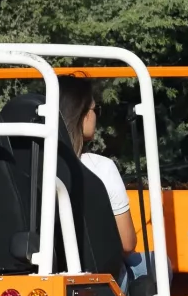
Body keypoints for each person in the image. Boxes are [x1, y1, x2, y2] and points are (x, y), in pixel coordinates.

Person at [54, 76, 143, 280]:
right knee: (158, 264)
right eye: (96, 110)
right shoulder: (101, 168)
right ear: (81, 114)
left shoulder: (28, 165)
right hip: (99, 277)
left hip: (45, 273)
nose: (96, 116)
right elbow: (127, 244)